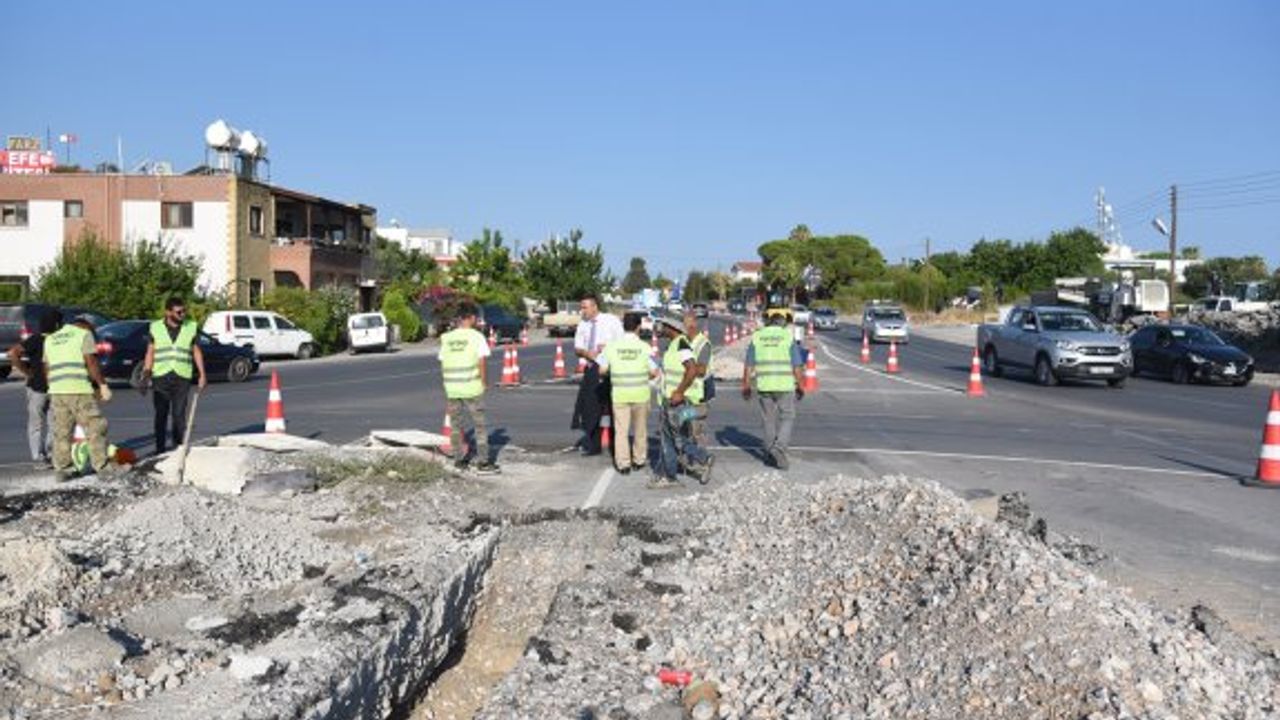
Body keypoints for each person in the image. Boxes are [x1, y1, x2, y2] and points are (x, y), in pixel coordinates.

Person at [44, 315, 113, 480]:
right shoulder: (84, 334)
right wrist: (102, 385)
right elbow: (91, 362)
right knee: (95, 426)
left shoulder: (50, 339)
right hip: (78, 389)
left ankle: (63, 470)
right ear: (87, 325)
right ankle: (102, 468)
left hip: (57, 391)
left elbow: (47, 368)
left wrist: (53, 388)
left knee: (62, 432)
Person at [140, 297, 207, 455]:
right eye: (179, 312)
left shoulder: (191, 327)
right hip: (161, 375)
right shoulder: (155, 327)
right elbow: (150, 351)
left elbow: (196, 351)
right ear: (168, 312)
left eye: (184, 311)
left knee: (179, 415)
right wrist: (146, 374)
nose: (183, 314)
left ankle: (177, 447)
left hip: (182, 375)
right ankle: (160, 449)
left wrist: (202, 374)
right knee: (161, 414)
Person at [438, 302, 499, 474]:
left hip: (452, 388)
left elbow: (443, 363)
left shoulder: (447, 338)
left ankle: (459, 460)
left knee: (456, 426)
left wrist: (447, 384)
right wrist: (483, 382)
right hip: (471, 386)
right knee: (479, 425)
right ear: (471, 318)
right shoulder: (476, 337)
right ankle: (483, 462)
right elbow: (481, 361)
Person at [654, 318, 715, 487]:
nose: (660, 329)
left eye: (663, 326)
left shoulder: (681, 344)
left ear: (671, 327)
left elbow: (693, 369)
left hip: (678, 401)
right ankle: (669, 476)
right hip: (670, 399)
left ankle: (703, 458)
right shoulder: (675, 344)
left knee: (676, 439)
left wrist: (679, 392)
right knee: (669, 438)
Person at [742, 309, 806, 470]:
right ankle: (779, 449)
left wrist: (746, 385)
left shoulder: (757, 337)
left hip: (764, 385)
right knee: (787, 417)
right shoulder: (787, 337)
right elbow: (797, 365)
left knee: (768, 419)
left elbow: (749, 364)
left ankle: (770, 454)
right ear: (783, 323)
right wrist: (800, 385)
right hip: (784, 385)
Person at [598, 312, 658, 474]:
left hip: (620, 395)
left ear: (623, 326)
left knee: (621, 432)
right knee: (640, 431)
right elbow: (654, 372)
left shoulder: (612, 347)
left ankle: (623, 464)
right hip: (640, 395)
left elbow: (601, 370)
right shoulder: (645, 348)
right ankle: (639, 460)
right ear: (638, 327)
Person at [571, 294, 623, 456]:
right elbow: (577, 349)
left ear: (595, 306)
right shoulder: (583, 325)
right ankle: (594, 445)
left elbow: (622, 342)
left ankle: (617, 446)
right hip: (592, 368)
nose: (582, 311)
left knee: (613, 407)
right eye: (582, 307)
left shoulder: (611, 321)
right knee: (590, 408)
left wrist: (607, 347)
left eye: (585, 307)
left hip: (610, 369)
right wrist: (587, 353)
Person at [8, 309, 61, 468]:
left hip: (43, 386)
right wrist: (26, 371)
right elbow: (13, 353)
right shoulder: (39, 339)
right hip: (42, 387)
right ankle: (41, 456)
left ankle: (46, 454)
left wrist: (27, 372)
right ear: (56, 324)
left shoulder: (38, 339)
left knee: (49, 423)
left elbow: (13, 354)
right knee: (46, 423)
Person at [682, 310, 713, 448]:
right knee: (685, 424)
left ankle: (700, 458)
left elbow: (701, 370)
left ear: (694, 324)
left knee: (696, 427)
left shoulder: (702, 343)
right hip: (688, 390)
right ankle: (689, 454)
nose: (685, 326)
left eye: (687, 323)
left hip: (700, 391)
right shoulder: (684, 341)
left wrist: (688, 368)